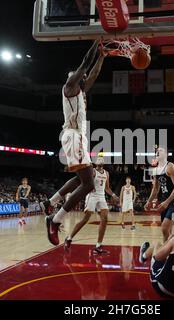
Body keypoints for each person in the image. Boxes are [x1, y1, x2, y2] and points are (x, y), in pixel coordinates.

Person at [43, 40, 108, 245]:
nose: (81, 76)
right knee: (88, 183)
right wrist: (95, 46)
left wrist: (102, 57)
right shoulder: (69, 87)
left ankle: (51, 202)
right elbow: (84, 64)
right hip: (73, 135)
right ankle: (55, 220)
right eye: (78, 74)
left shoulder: (81, 91)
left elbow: (93, 73)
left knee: (83, 180)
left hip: (78, 138)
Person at [64, 157, 118, 253]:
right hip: (92, 195)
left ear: (104, 163)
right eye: (99, 158)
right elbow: (84, 182)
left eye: (102, 158)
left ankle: (98, 245)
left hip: (101, 196)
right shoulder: (92, 171)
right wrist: (89, 187)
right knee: (85, 219)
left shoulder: (106, 173)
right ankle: (69, 238)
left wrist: (113, 195)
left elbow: (107, 188)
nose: (100, 159)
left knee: (105, 219)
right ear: (96, 162)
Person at [144, 147, 174, 242]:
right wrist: (148, 201)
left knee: (165, 228)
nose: (157, 152)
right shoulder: (155, 170)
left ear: (166, 155)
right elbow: (155, 189)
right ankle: (168, 250)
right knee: (166, 231)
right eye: (156, 152)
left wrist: (166, 202)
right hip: (165, 200)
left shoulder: (171, 167)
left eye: (160, 151)